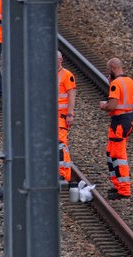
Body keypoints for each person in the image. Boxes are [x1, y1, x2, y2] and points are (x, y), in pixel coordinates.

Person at [99, 58, 133, 200]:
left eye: (108, 70)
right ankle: (118, 186)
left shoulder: (116, 84)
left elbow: (113, 105)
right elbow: (123, 99)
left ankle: (124, 190)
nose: (107, 72)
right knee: (111, 153)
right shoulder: (129, 81)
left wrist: (103, 105)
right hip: (127, 120)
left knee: (118, 156)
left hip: (119, 122)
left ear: (113, 68)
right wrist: (110, 83)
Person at [57, 51, 77, 182]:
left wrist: (70, 114)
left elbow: (72, 95)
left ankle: (63, 174)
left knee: (61, 144)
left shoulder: (67, 75)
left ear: (60, 60)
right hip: (51, 116)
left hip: (62, 116)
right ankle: (58, 172)